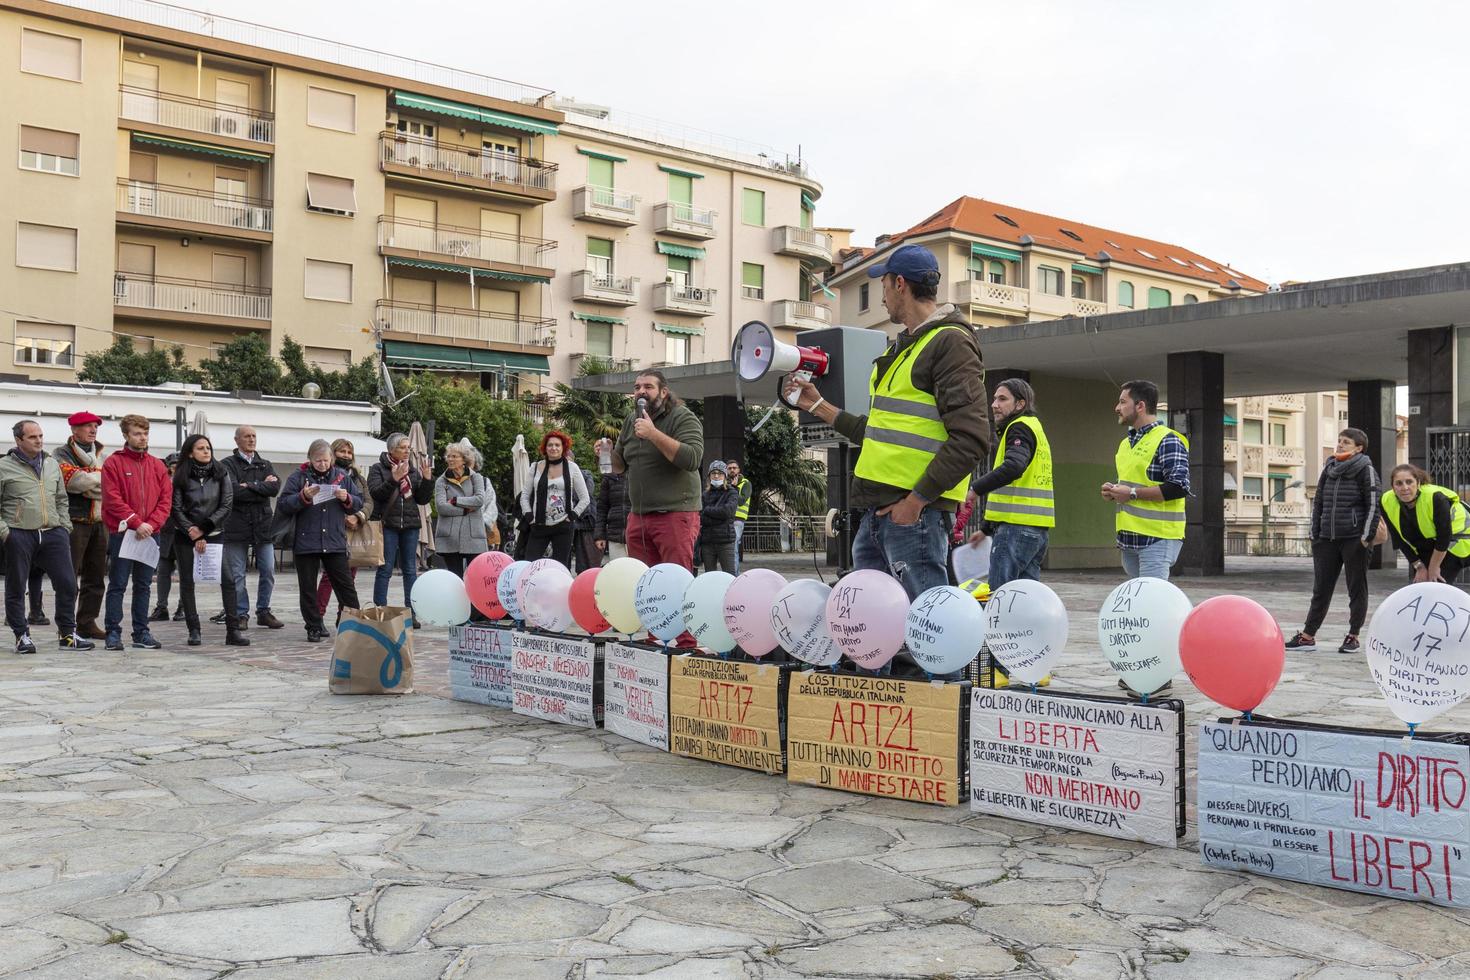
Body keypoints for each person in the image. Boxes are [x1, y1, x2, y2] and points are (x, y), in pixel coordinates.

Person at [783, 243, 992, 601]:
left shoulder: (949, 344)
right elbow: (880, 435)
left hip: (913, 516)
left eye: (881, 286)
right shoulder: (906, 348)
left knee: (929, 629)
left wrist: (914, 503)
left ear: (899, 284)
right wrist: (819, 406)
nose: (881, 298)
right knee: (869, 627)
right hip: (881, 515)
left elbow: (972, 438)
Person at [1286, 428, 1380, 655]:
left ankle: (1353, 636)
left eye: (1346, 442)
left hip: (1353, 539)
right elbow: (1318, 503)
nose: (1340, 445)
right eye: (1339, 441)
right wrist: (1314, 534)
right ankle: (1307, 637)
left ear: (1359, 448)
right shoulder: (1329, 468)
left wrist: (1366, 538)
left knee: (1356, 589)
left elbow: (1373, 505)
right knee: (1321, 589)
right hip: (1326, 539)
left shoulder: (1365, 469)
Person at [0, 420, 91, 654]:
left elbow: (61, 498)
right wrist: (6, 533)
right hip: (19, 534)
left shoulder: (52, 464)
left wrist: (64, 526)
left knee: (68, 584)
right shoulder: (4, 466)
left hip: (53, 533)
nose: (39, 440)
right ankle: (22, 636)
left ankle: (67, 634)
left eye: (40, 435)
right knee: (16, 587)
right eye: (32, 437)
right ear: (18, 440)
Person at [611, 371, 705, 571]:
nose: (641, 392)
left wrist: (653, 434)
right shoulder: (630, 421)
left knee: (674, 577)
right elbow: (619, 467)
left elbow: (692, 459)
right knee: (642, 578)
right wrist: (605, 453)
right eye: (637, 388)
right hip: (638, 516)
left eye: (648, 387)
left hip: (674, 514)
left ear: (663, 392)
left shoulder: (682, 417)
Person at [966, 379, 1053, 587]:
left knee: (1001, 596)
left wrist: (975, 489)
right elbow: (1015, 489)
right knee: (1024, 598)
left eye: (1002, 399)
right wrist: (986, 529)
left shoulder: (1019, 428)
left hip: (1015, 530)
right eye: (994, 398)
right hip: (1036, 530)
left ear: (1020, 404)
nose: (994, 404)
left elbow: (1014, 467)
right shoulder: (1034, 428)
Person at [1101, 380, 1190, 580]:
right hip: (1128, 539)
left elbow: (1178, 487)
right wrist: (1114, 491)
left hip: (1157, 538)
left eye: (1123, 402)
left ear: (1140, 406)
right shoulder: (1125, 444)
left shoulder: (1168, 440)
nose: (1117, 408)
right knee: (1139, 602)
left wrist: (1131, 493)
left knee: (1153, 602)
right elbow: (1133, 484)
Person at [168, 434, 246, 648]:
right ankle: (194, 630)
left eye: (208, 447)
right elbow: (175, 507)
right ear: (190, 452)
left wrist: (203, 529)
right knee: (187, 581)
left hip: (214, 533)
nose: (206, 451)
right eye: (200, 448)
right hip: (186, 535)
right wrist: (192, 531)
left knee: (228, 580)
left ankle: (233, 631)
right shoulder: (181, 475)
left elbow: (226, 504)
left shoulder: (221, 472)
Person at [101, 414, 171, 651]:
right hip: (123, 533)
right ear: (126, 435)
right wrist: (135, 522)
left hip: (151, 533)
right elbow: (112, 499)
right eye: (137, 433)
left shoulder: (157, 465)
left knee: (143, 585)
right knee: (118, 584)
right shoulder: (113, 463)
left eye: (145, 433)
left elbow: (165, 500)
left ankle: (141, 632)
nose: (142, 438)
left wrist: (151, 524)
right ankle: (113, 632)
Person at [280, 439, 362, 641]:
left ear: (332, 459)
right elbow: (283, 504)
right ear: (310, 459)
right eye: (318, 461)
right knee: (307, 587)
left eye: (326, 461)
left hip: (334, 540)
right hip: (307, 540)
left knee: (346, 586)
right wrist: (302, 496)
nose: (323, 465)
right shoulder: (298, 477)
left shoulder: (342, 477)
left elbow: (359, 502)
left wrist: (346, 499)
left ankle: (353, 624)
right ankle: (314, 626)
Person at [219, 425, 283, 631]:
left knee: (268, 570)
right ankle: (240, 614)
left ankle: (263, 611)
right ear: (236, 440)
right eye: (247, 436)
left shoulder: (265, 463)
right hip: (235, 525)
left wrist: (250, 486)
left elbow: (274, 489)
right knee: (237, 573)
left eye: (254, 436)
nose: (251, 439)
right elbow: (233, 491)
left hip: (263, 525)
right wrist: (260, 486)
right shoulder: (226, 464)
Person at [53, 411, 108, 638]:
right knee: (68, 576)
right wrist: (101, 478)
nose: (93, 430)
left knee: (96, 576)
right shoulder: (60, 454)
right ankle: (66, 626)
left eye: (95, 426)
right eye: (88, 426)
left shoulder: (101, 453)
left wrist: (92, 479)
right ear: (74, 430)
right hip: (73, 522)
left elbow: (103, 484)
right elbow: (74, 482)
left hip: (99, 520)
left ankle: (87, 622)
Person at [368, 432, 433, 607]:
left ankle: (411, 611)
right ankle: (380, 608)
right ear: (391, 449)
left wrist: (427, 480)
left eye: (408, 448)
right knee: (385, 569)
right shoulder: (378, 468)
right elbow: (376, 493)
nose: (407, 451)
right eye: (402, 448)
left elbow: (422, 499)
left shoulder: (412, 470)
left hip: (410, 525)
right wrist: (394, 479)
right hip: (388, 524)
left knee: (410, 570)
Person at [1380, 464, 1470, 587]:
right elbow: (1399, 540)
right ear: (1393, 487)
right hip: (1427, 546)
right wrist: (1419, 566)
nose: (1404, 487)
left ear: (1418, 483)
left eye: (1409, 482)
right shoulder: (1386, 501)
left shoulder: (1435, 498)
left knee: (1436, 585)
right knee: (1419, 586)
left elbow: (1444, 537)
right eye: (1399, 483)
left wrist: (1433, 567)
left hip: (1457, 543)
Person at [518, 431, 589, 567]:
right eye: (550, 445)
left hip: (563, 525)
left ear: (563, 447)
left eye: (557, 445)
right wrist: (528, 515)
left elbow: (585, 498)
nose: (553, 448)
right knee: (530, 565)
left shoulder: (572, 467)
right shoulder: (535, 467)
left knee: (560, 567)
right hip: (538, 525)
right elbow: (525, 496)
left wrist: (573, 515)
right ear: (545, 447)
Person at [317, 438, 370, 618]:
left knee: (349, 579)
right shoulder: (326, 474)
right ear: (333, 453)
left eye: (349, 453)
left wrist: (358, 516)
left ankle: (345, 616)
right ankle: (318, 615)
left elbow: (368, 502)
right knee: (329, 577)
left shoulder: (359, 478)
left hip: (354, 530)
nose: (346, 456)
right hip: (333, 530)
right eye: (342, 452)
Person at [433, 439, 491, 576]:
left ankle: (473, 599)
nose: (450, 459)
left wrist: (455, 500)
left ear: (464, 460)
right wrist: (466, 509)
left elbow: (479, 500)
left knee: (474, 576)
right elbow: (441, 507)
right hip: (450, 536)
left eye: (454, 456)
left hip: (473, 535)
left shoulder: (476, 478)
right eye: (449, 456)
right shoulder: (441, 481)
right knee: (455, 576)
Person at [150, 453, 184, 623]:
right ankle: (161, 607)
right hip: (166, 531)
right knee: (163, 571)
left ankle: (183, 607)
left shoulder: (188, 482)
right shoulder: (162, 483)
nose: (175, 467)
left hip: (184, 532)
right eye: (172, 464)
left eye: (178, 464)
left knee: (185, 573)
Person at [698, 460, 739, 573]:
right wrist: (719, 517)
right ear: (709, 476)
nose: (716, 476)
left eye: (720, 473)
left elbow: (728, 512)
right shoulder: (705, 495)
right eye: (713, 473)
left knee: (729, 574)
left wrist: (707, 510)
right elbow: (700, 517)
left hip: (725, 540)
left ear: (725, 476)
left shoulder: (732, 492)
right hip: (708, 541)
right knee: (709, 576)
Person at [593, 466, 629, 561]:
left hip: (638, 536)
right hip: (615, 536)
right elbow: (602, 508)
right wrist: (599, 535)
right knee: (618, 572)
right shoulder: (609, 476)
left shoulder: (641, 472)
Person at [572, 466, 600, 572]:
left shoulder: (585, 475)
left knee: (587, 554)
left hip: (586, 518)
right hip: (573, 518)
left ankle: (588, 577)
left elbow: (587, 495)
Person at [727, 460, 752, 574]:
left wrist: (734, 488)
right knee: (726, 549)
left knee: (733, 548)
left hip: (738, 519)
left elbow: (741, 501)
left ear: (739, 470)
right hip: (725, 518)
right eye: (729, 468)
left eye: (734, 468)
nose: (732, 470)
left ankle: (734, 576)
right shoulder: (724, 483)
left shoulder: (745, 483)